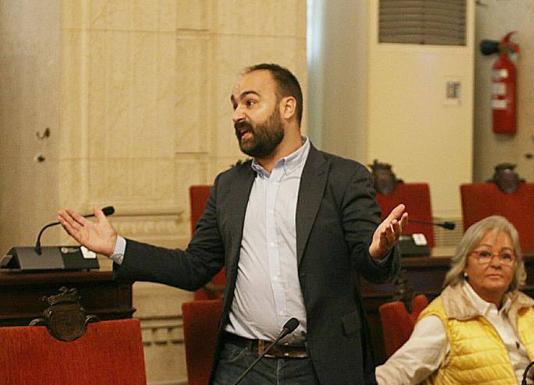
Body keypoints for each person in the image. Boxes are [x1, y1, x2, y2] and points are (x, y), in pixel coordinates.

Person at [58, 63, 408, 385]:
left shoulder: (343, 177)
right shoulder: (229, 186)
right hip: (243, 363)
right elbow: (193, 267)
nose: (238, 115)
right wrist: (116, 247)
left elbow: (374, 266)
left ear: (288, 108)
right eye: (234, 105)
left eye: (250, 103)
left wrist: (378, 250)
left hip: (319, 365)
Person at [376, 215, 534, 385]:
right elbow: (399, 371)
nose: (496, 263)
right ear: (465, 265)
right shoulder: (444, 318)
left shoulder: (524, 309)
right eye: (485, 254)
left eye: (506, 256)